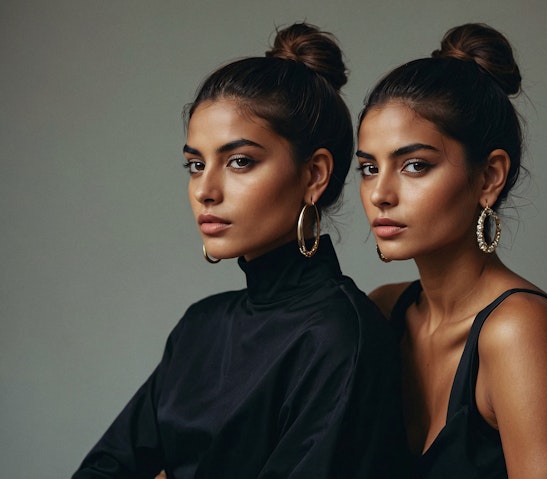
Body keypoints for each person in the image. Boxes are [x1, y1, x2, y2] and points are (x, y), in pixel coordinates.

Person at [73, 22, 410, 479]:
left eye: (239, 161)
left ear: (314, 175)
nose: (205, 190)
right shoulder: (199, 326)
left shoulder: (339, 339)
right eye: (196, 164)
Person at [356, 23, 547, 478]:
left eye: (415, 166)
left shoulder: (519, 331)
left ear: (490, 176)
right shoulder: (385, 310)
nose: (380, 194)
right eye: (369, 168)